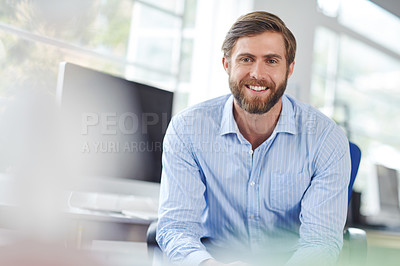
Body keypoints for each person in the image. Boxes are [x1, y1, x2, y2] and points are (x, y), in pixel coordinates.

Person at [156, 11, 350, 266]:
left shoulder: (326, 139)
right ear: (227, 64)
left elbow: (321, 242)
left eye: (271, 61)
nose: (257, 74)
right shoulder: (187, 129)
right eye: (246, 59)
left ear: (289, 69)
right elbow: (176, 227)